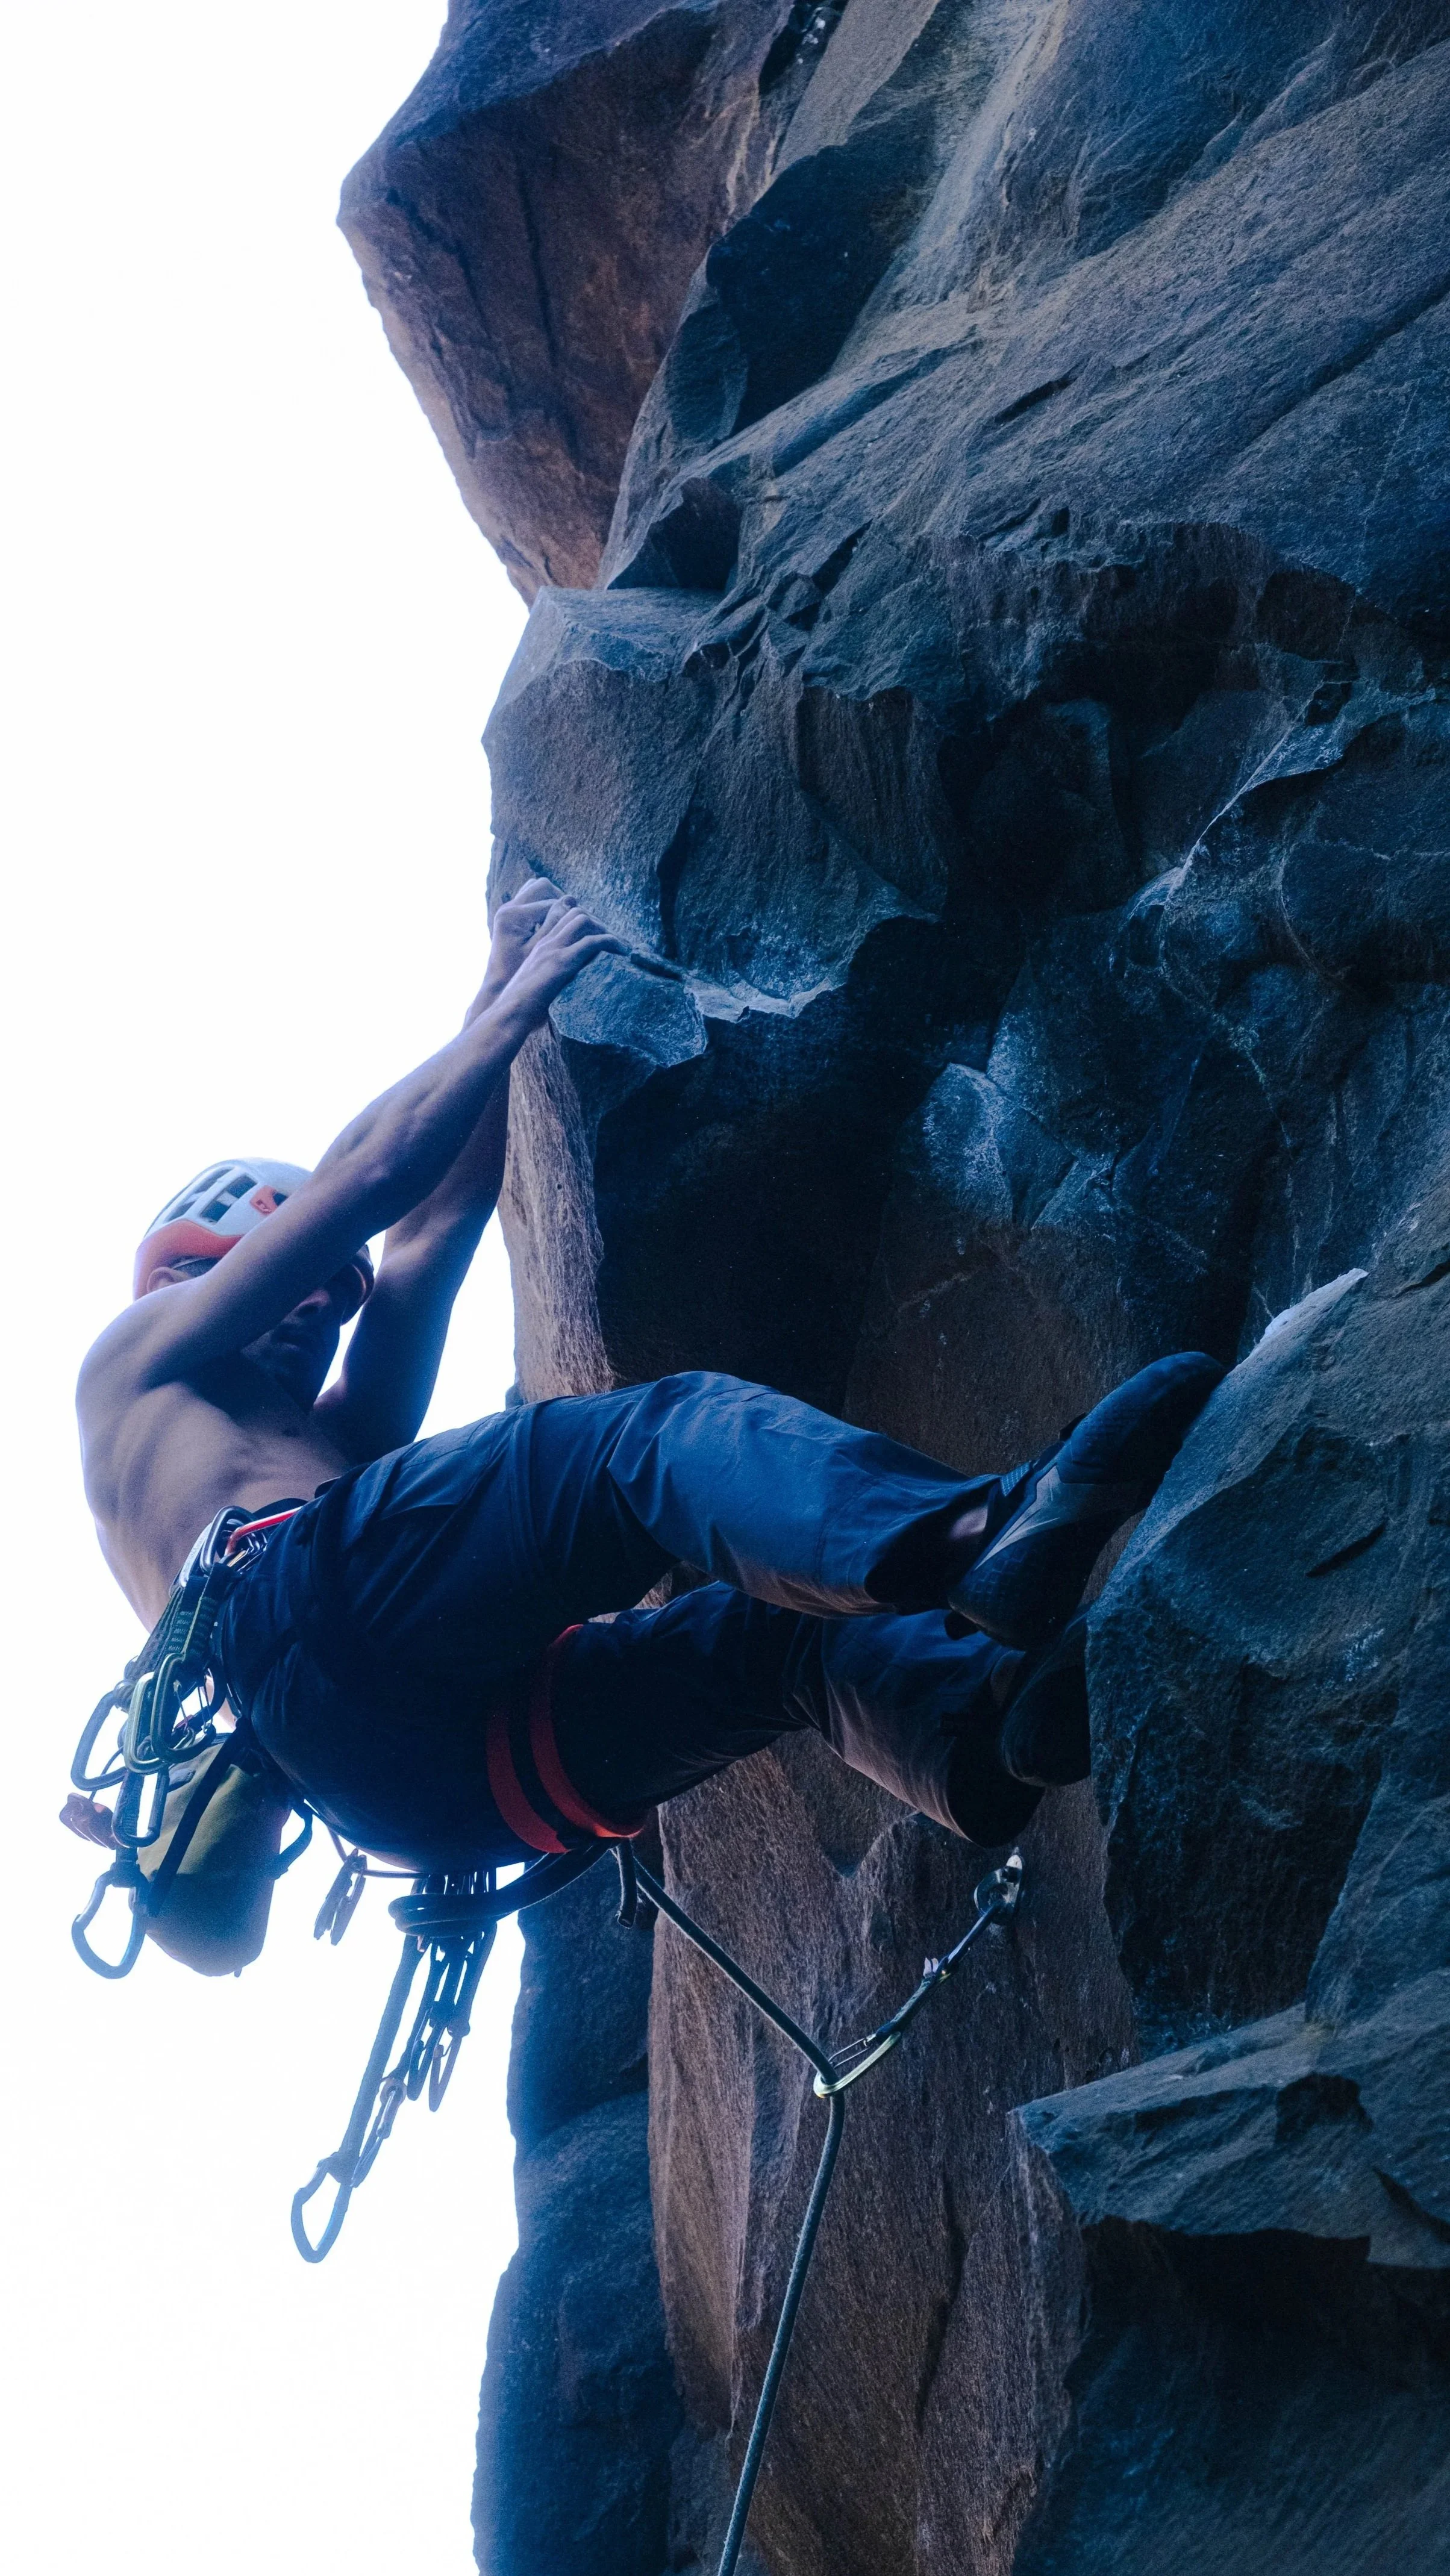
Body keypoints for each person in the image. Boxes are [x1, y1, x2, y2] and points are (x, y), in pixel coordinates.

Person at [76, 879, 1223, 1906]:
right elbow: (376, 1181)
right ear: (201, 1260)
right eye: (307, 1284)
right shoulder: (136, 1365)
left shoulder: (318, 1450)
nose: (326, 1313)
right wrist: (513, 1002)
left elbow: (424, 1238)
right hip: (315, 1633)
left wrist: (494, 1000)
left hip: (410, 1792)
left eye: (336, 1300)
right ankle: (976, 1536)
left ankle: (969, 1731)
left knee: (771, 1637)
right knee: (651, 1442)